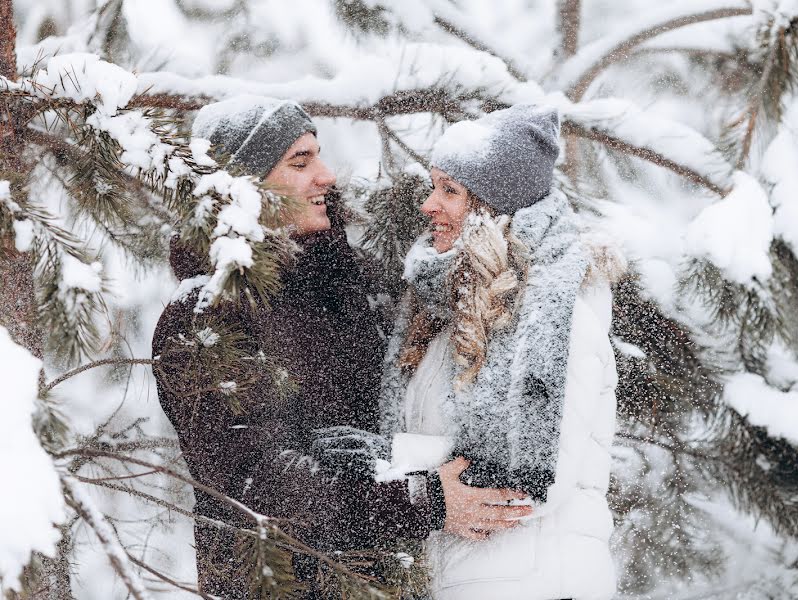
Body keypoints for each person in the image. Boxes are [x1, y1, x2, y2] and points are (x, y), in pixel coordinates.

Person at [151, 95, 531, 598]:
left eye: (319, 156)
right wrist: (423, 501)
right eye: (300, 162)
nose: (326, 176)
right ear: (242, 188)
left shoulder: (359, 282)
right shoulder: (204, 316)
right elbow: (258, 483)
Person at [379, 104, 623, 600]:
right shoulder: (446, 316)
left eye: (450, 191)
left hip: (537, 585)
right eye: (433, 186)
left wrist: (384, 462)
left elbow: (529, 480)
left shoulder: (555, 316)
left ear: (493, 207)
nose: (428, 205)